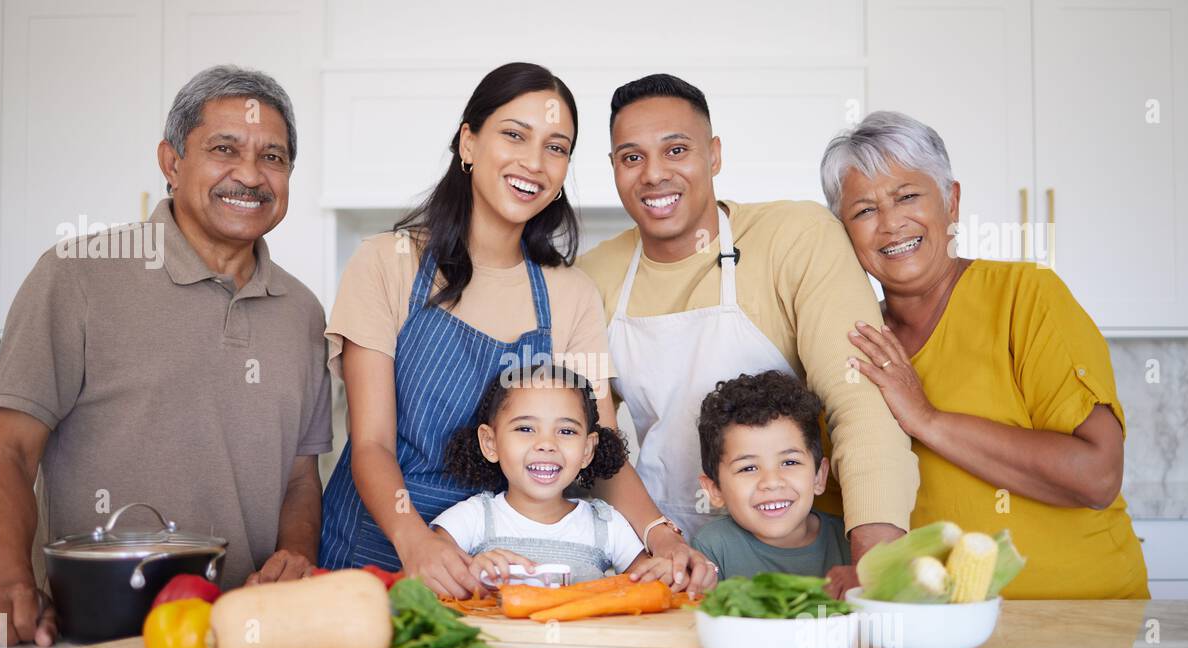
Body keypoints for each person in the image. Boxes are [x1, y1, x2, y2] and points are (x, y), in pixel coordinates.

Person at [0, 65, 333, 646]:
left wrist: (294, 554)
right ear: (171, 162)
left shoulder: (303, 313)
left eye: (274, 158)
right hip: (95, 633)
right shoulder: (77, 277)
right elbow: (8, 452)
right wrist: (9, 582)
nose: (250, 175)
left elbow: (299, 480)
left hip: (243, 641)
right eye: (224, 149)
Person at [319, 63, 719, 596]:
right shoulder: (386, 262)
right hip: (377, 551)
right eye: (514, 135)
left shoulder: (570, 294)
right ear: (468, 142)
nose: (534, 162)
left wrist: (659, 537)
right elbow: (370, 444)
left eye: (556, 147)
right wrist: (415, 541)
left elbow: (600, 450)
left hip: (500, 572)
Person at [577, 74, 919, 597]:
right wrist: (659, 542)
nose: (654, 174)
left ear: (714, 155)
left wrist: (875, 567)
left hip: (798, 563)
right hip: (663, 561)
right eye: (631, 158)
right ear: (614, 168)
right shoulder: (592, 278)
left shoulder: (796, 239)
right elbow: (597, 444)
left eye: (676, 149)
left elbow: (862, 404)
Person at [821, 110, 1148, 598]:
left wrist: (927, 419)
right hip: (936, 633)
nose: (890, 225)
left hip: (1078, 619)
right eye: (864, 210)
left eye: (908, 196)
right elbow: (828, 499)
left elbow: (1098, 475)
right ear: (841, 230)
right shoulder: (853, 342)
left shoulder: (1026, 296)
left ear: (951, 202)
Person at [434, 364, 644, 586]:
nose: (546, 444)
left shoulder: (607, 525)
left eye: (566, 431)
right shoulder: (473, 518)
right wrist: (470, 569)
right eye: (525, 429)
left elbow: (648, 582)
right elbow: (428, 570)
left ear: (587, 450)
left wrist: (659, 570)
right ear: (490, 442)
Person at [691, 371, 850, 580]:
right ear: (715, 490)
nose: (772, 482)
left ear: (819, 476)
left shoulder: (851, 543)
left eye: (789, 462)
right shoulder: (713, 547)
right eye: (748, 468)